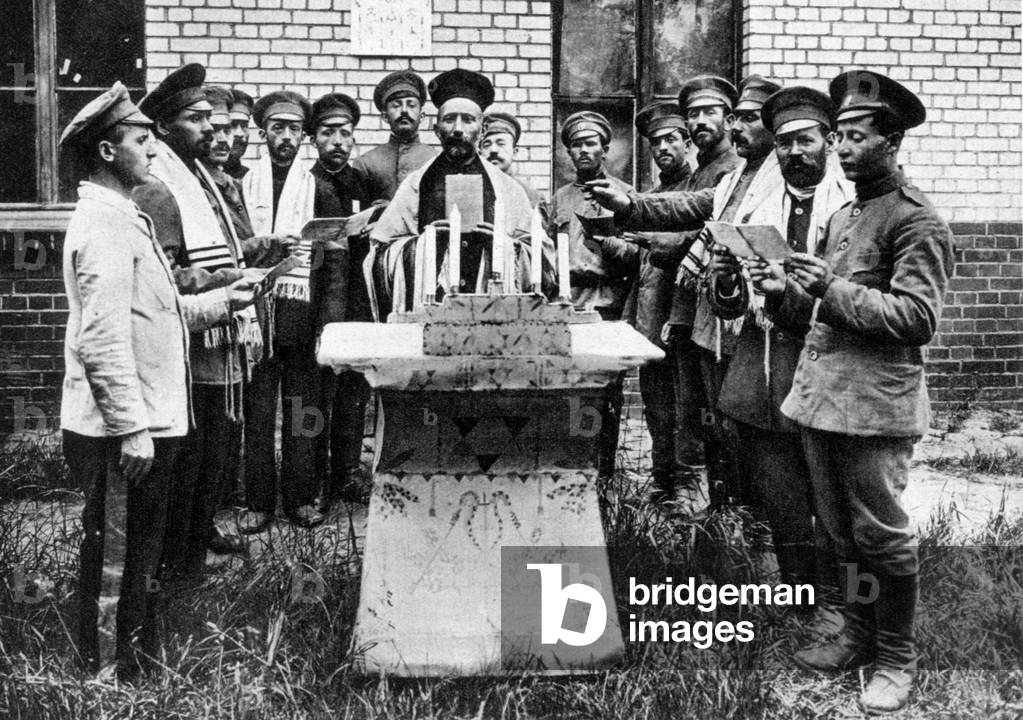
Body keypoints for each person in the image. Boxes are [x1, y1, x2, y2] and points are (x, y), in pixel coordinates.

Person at [760, 71, 953, 714]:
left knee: (883, 536)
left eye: (856, 137)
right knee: (840, 534)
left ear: (891, 141)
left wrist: (827, 290)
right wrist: (778, 289)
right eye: (838, 136)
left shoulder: (916, 220)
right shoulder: (845, 214)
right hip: (821, 400)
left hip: (874, 408)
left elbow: (915, 319)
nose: (841, 149)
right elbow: (819, 315)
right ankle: (857, 633)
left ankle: (897, 657)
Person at [59, 82, 257, 678]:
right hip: (126, 429)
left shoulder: (126, 215)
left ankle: (133, 659)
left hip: (150, 419)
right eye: (141, 141)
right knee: (118, 552)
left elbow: (160, 310)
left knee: (141, 549)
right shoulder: (103, 225)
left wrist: (229, 299)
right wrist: (130, 431)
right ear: (106, 153)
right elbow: (102, 339)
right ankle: (107, 676)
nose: (152, 151)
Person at [132, 63, 290, 579]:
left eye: (212, 119)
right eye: (198, 119)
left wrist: (255, 250)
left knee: (213, 464)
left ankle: (189, 562)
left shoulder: (200, 179)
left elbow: (215, 248)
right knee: (193, 465)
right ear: (166, 126)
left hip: (220, 346)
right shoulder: (161, 188)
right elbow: (167, 278)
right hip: (193, 353)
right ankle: (178, 572)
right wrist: (230, 277)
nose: (211, 129)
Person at [705, 86, 852, 631]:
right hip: (763, 368)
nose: (795, 152)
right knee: (781, 495)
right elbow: (733, 306)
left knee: (831, 497)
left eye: (805, 140)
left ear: (829, 143)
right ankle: (801, 600)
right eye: (785, 142)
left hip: (826, 368)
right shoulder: (758, 206)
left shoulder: (846, 209)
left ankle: (844, 603)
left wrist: (783, 294)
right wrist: (726, 283)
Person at [367, 68, 553, 319]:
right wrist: (423, 245)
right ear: (436, 129)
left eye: (467, 120)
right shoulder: (416, 184)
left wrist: (504, 247)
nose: (457, 128)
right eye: (449, 119)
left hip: (491, 312)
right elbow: (379, 254)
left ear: (482, 129)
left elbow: (543, 258)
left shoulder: (507, 188)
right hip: (430, 313)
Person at [240, 89, 337, 530]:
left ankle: (300, 497)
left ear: (304, 137)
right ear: (264, 134)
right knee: (257, 415)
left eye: (294, 129)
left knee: (303, 410)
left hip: (302, 316)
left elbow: (336, 265)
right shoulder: (241, 187)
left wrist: (328, 322)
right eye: (277, 128)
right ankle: (258, 503)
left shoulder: (321, 190)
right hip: (254, 318)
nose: (286, 137)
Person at [548, 110, 637, 480]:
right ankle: (574, 467)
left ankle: (603, 471)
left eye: (590, 143)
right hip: (568, 305)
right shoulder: (559, 199)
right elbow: (546, 250)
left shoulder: (626, 196)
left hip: (608, 305)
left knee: (606, 392)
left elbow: (637, 255)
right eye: (575, 145)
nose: (583, 151)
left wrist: (609, 244)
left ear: (604, 147)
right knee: (570, 389)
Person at [306, 92, 374, 510]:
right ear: (314, 139)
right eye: (328, 133)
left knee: (352, 391)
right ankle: (310, 478)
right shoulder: (304, 184)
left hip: (356, 301)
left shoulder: (360, 183)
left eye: (345, 134)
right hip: (315, 303)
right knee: (314, 393)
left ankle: (346, 473)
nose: (337, 141)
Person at [621, 100, 691, 501]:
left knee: (683, 407)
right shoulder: (655, 193)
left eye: (670, 139)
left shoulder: (696, 190)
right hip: (650, 318)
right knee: (657, 406)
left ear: (685, 143)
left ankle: (682, 484)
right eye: (655, 142)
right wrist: (614, 244)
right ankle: (662, 480)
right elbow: (643, 259)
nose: (663, 147)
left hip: (677, 316)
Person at [353, 70, 436, 203]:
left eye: (411, 105)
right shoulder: (365, 164)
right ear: (385, 116)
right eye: (396, 105)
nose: (404, 110)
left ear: (421, 116)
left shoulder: (435, 160)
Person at [479, 110, 543, 207]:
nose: (493, 150)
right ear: (480, 153)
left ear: (514, 152)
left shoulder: (531, 196)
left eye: (500, 144)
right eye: (487, 145)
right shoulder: (472, 190)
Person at [224, 88, 253, 180]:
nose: (239, 134)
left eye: (244, 125)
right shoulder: (198, 175)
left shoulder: (250, 178)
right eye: (232, 124)